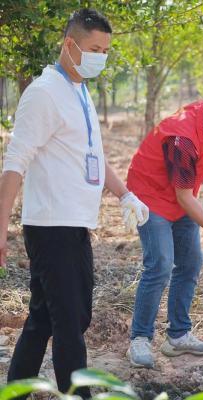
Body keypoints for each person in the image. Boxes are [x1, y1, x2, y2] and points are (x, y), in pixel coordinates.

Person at [0, 9, 148, 395]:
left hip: (75, 223)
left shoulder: (80, 91)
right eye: (94, 48)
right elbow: (15, 162)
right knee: (69, 321)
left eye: (105, 50)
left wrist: (125, 194)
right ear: (70, 45)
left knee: (48, 318)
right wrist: (0, 230)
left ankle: (14, 389)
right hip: (50, 226)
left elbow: (94, 157)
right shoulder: (43, 93)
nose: (101, 56)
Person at [125, 89, 203, 368]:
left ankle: (177, 336)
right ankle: (140, 339)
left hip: (180, 195)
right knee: (160, 265)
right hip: (151, 195)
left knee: (191, 262)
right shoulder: (182, 139)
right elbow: (184, 197)